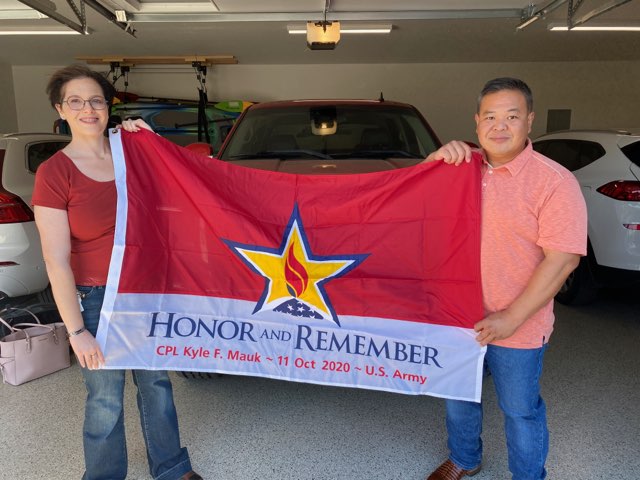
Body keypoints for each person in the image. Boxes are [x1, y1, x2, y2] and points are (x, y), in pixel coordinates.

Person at [32, 64, 202, 480]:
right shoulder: (55, 172)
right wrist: (76, 331)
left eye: (96, 100)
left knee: (156, 384)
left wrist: (152, 141)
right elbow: (55, 259)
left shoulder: (131, 153)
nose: (88, 109)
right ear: (60, 110)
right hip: (95, 299)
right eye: (76, 101)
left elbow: (177, 187)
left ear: (108, 107)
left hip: (145, 290)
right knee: (105, 397)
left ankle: (171, 467)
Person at [423, 78, 587, 480]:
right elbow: (411, 206)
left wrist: (510, 318)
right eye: (490, 117)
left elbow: (563, 260)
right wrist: (433, 161)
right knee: (458, 396)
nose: (500, 126)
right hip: (459, 317)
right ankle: (464, 458)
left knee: (519, 409)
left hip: (519, 324)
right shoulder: (458, 169)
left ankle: (528, 476)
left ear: (529, 121)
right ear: (477, 122)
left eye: (511, 117)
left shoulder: (554, 181)